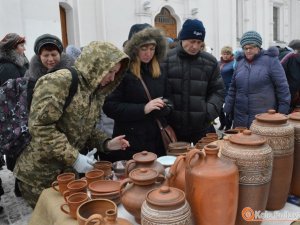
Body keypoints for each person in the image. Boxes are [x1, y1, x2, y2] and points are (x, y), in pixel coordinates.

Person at [13, 41, 130, 208]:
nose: (112, 78)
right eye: (109, 72)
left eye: (115, 73)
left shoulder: (94, 91)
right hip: (40, 174)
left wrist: (107, 143)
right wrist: (74, 157)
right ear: (95, 66)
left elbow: (86, 129)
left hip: (66, 173)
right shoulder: (60, 82)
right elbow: (40, 127)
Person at [102, 24, 169, 162]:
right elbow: (110, 106)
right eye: (143, 48)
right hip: (131, 142)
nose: (148, 53)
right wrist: (143, 109)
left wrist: (165, 107)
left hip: (156, 139)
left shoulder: (159, 69)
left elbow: (170, 97)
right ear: (134, 49)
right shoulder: (122, 71)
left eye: (152, 48)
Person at [162, 19, 225, 144]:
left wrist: (208, 112)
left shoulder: (210, 62)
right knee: (177, 163)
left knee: (206, 161)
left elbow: (218, 91)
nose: (195, 46)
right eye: (192, 41)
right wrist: (167, 112)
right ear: (182, 39)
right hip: (174, 127)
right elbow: (160, 91)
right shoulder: (166, 60)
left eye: (199, 42)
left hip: (202, 127)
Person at [224, 30, 290, 128]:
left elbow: (282, 88)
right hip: (240, 118)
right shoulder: (240, 63)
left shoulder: (271, 61)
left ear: (258, 47)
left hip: (263, 119)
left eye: (251, 47)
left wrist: (282, 113)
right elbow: (233, 88)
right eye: (245, 48)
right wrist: (228, 107)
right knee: (240, 141)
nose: (248, 51)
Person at [0, 33, 28, 205]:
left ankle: (21, 182)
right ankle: (20, 184)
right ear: (12, 48)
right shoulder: (7, 68)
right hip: (15, 117)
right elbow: (11, 98)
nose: (24, 49)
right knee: (18, 147)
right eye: (21, 46)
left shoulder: (19, 63)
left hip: (21, 114)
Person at [280, 39, 300, 112]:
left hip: (280, 96)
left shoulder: (281, 54)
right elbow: (296, 81)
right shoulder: (292, 57)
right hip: (290, 96)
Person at [218, 46, 234, 130]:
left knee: (228, 108)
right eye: (224, 54)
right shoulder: (218, 63)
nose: (225, 56)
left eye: (227, 54)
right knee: (219, 108)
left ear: (231, 54)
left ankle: (228, 125)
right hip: (220, 89)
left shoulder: (233, 63)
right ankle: (222, 122)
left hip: (229, 89)